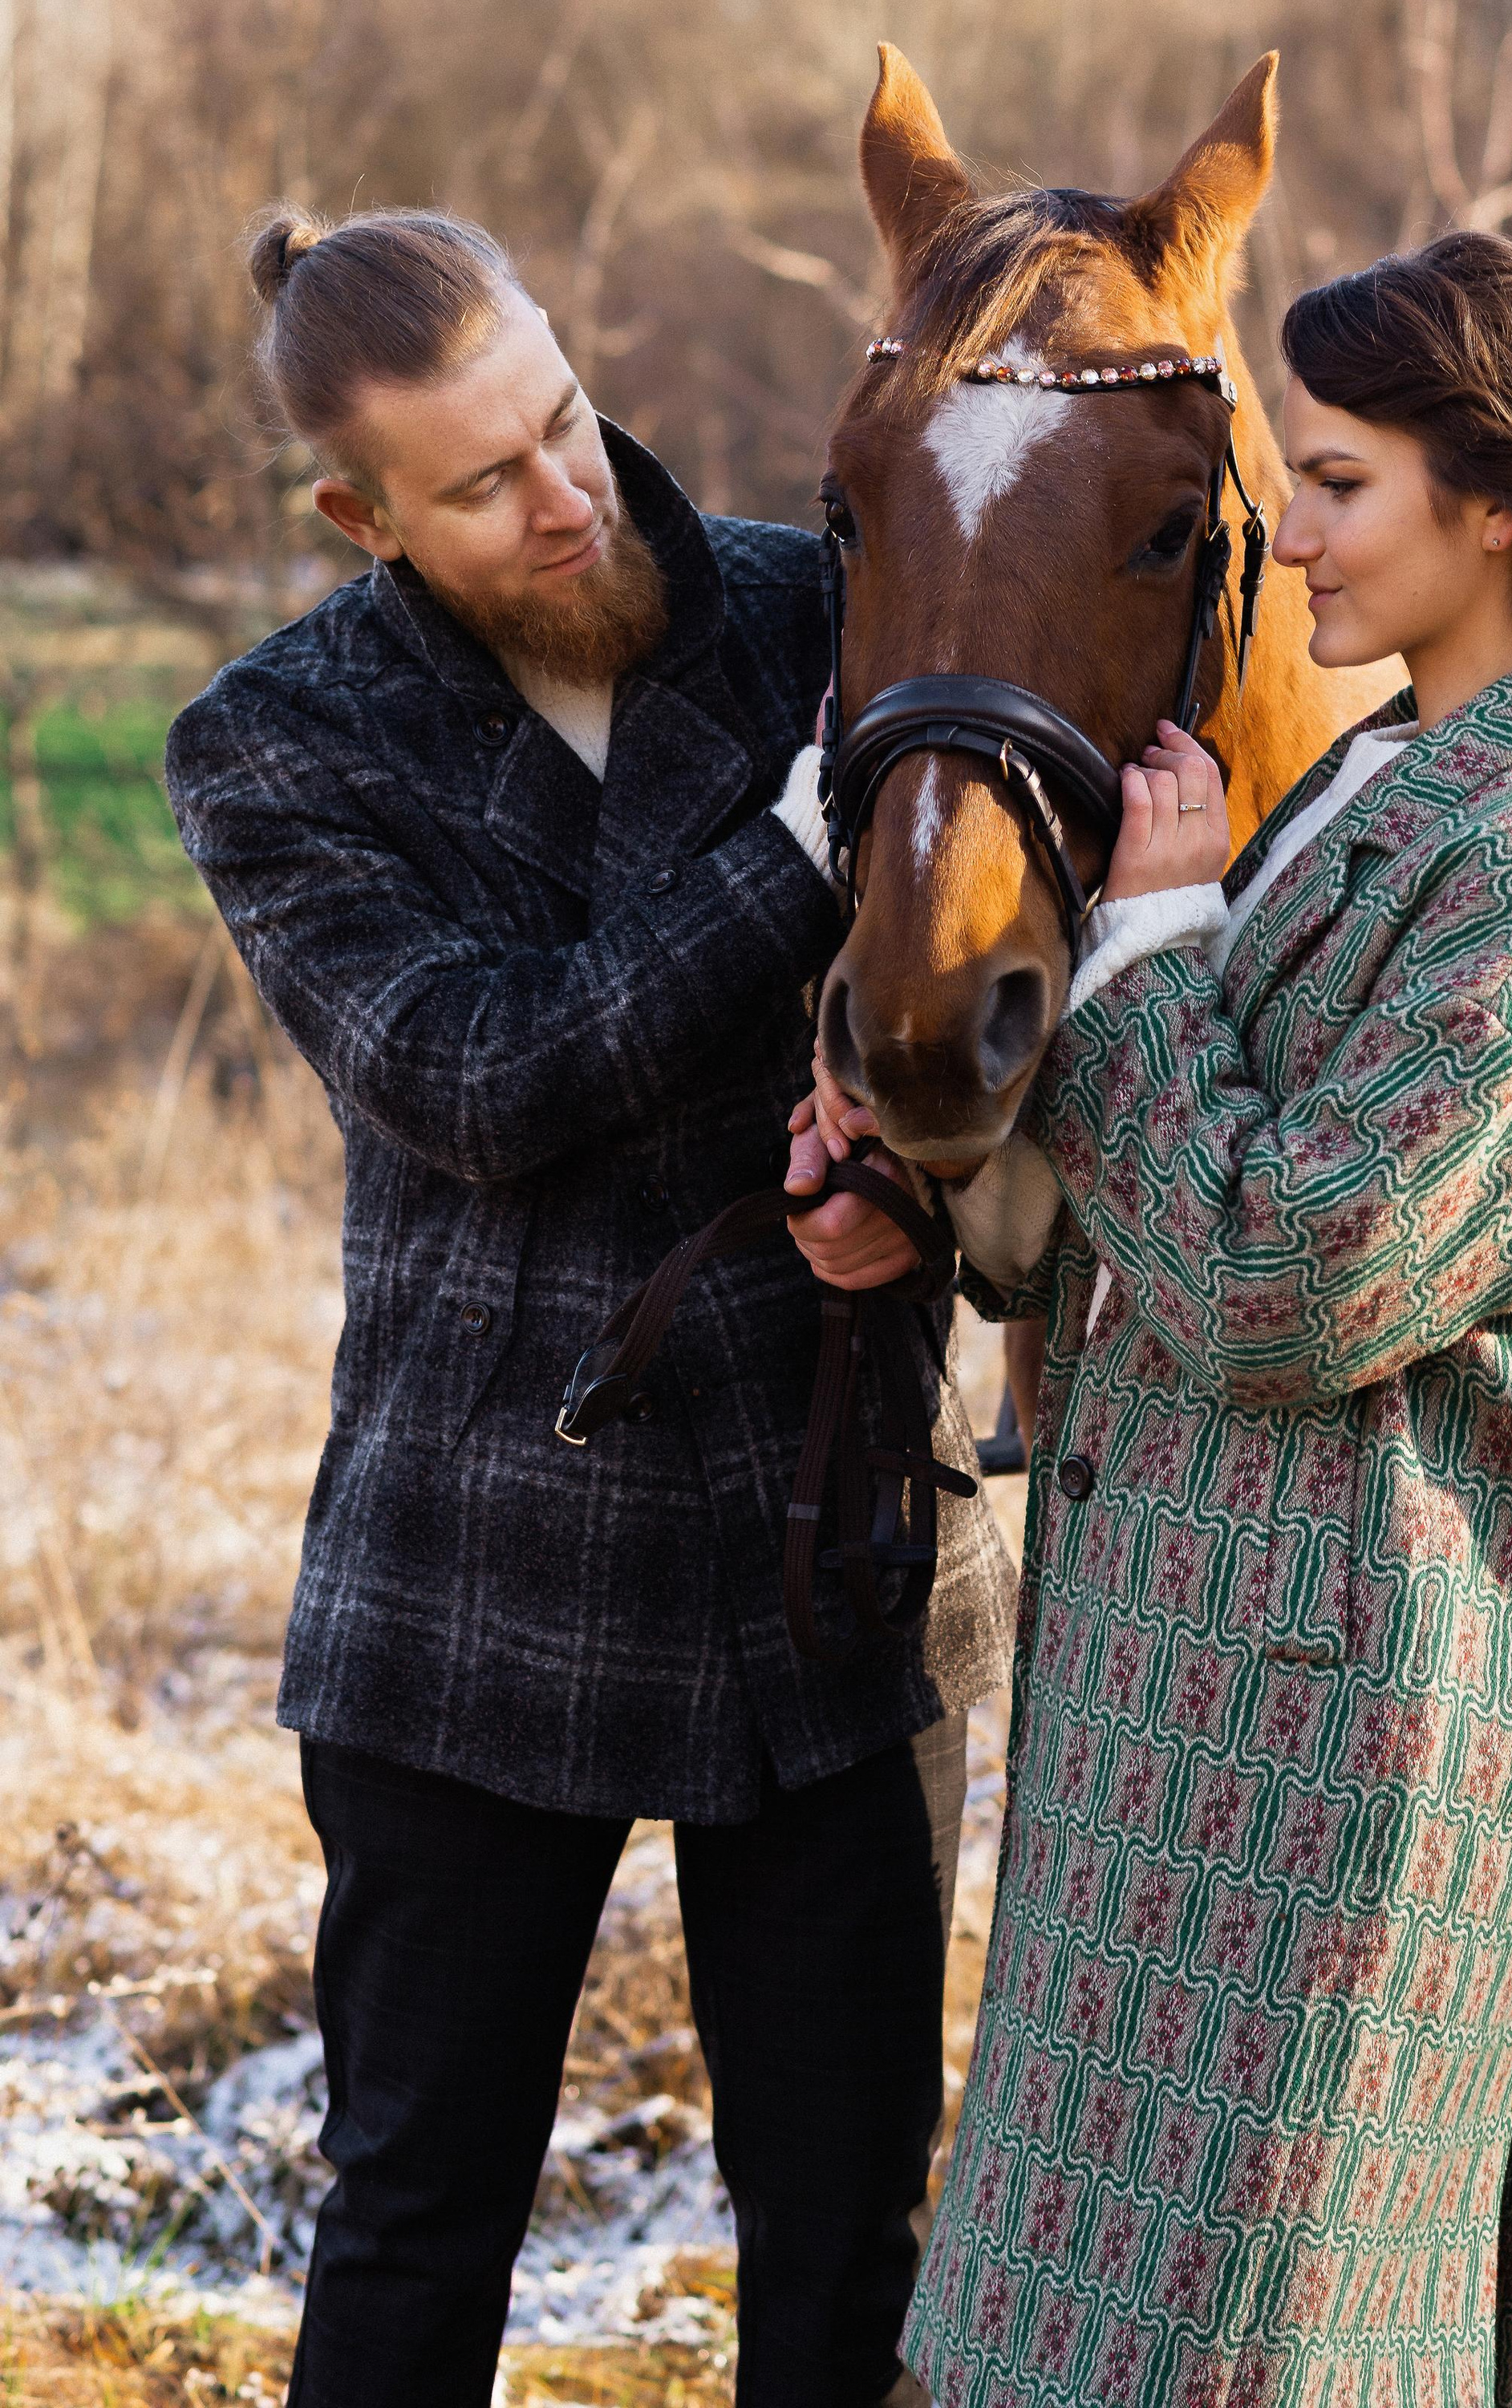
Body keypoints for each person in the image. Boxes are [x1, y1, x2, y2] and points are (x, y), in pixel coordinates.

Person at [790, 230, 1512, 2406]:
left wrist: (1140, 951)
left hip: (1332, 1754)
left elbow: (1281, 1272)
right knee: (1080, 2341)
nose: (1287, 530)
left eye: (1331, 482)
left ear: (1493, 504)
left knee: (1260, 2350)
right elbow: (1165, 1206)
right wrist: (952, 1194)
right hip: (1189, 1706)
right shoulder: (1380, 784)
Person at [166, 206, 1015, 2408]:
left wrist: (911, 1194)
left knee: (850, 2234)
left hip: (828, 1541)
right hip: (478, 1581)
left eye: (563, 420)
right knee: (421, 2219)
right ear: (366, 519)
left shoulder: (819, 607)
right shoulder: (275, 741)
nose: (568, 497)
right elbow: (477, 1077)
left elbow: (979, 996)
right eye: (486, 487)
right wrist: (812, 841)